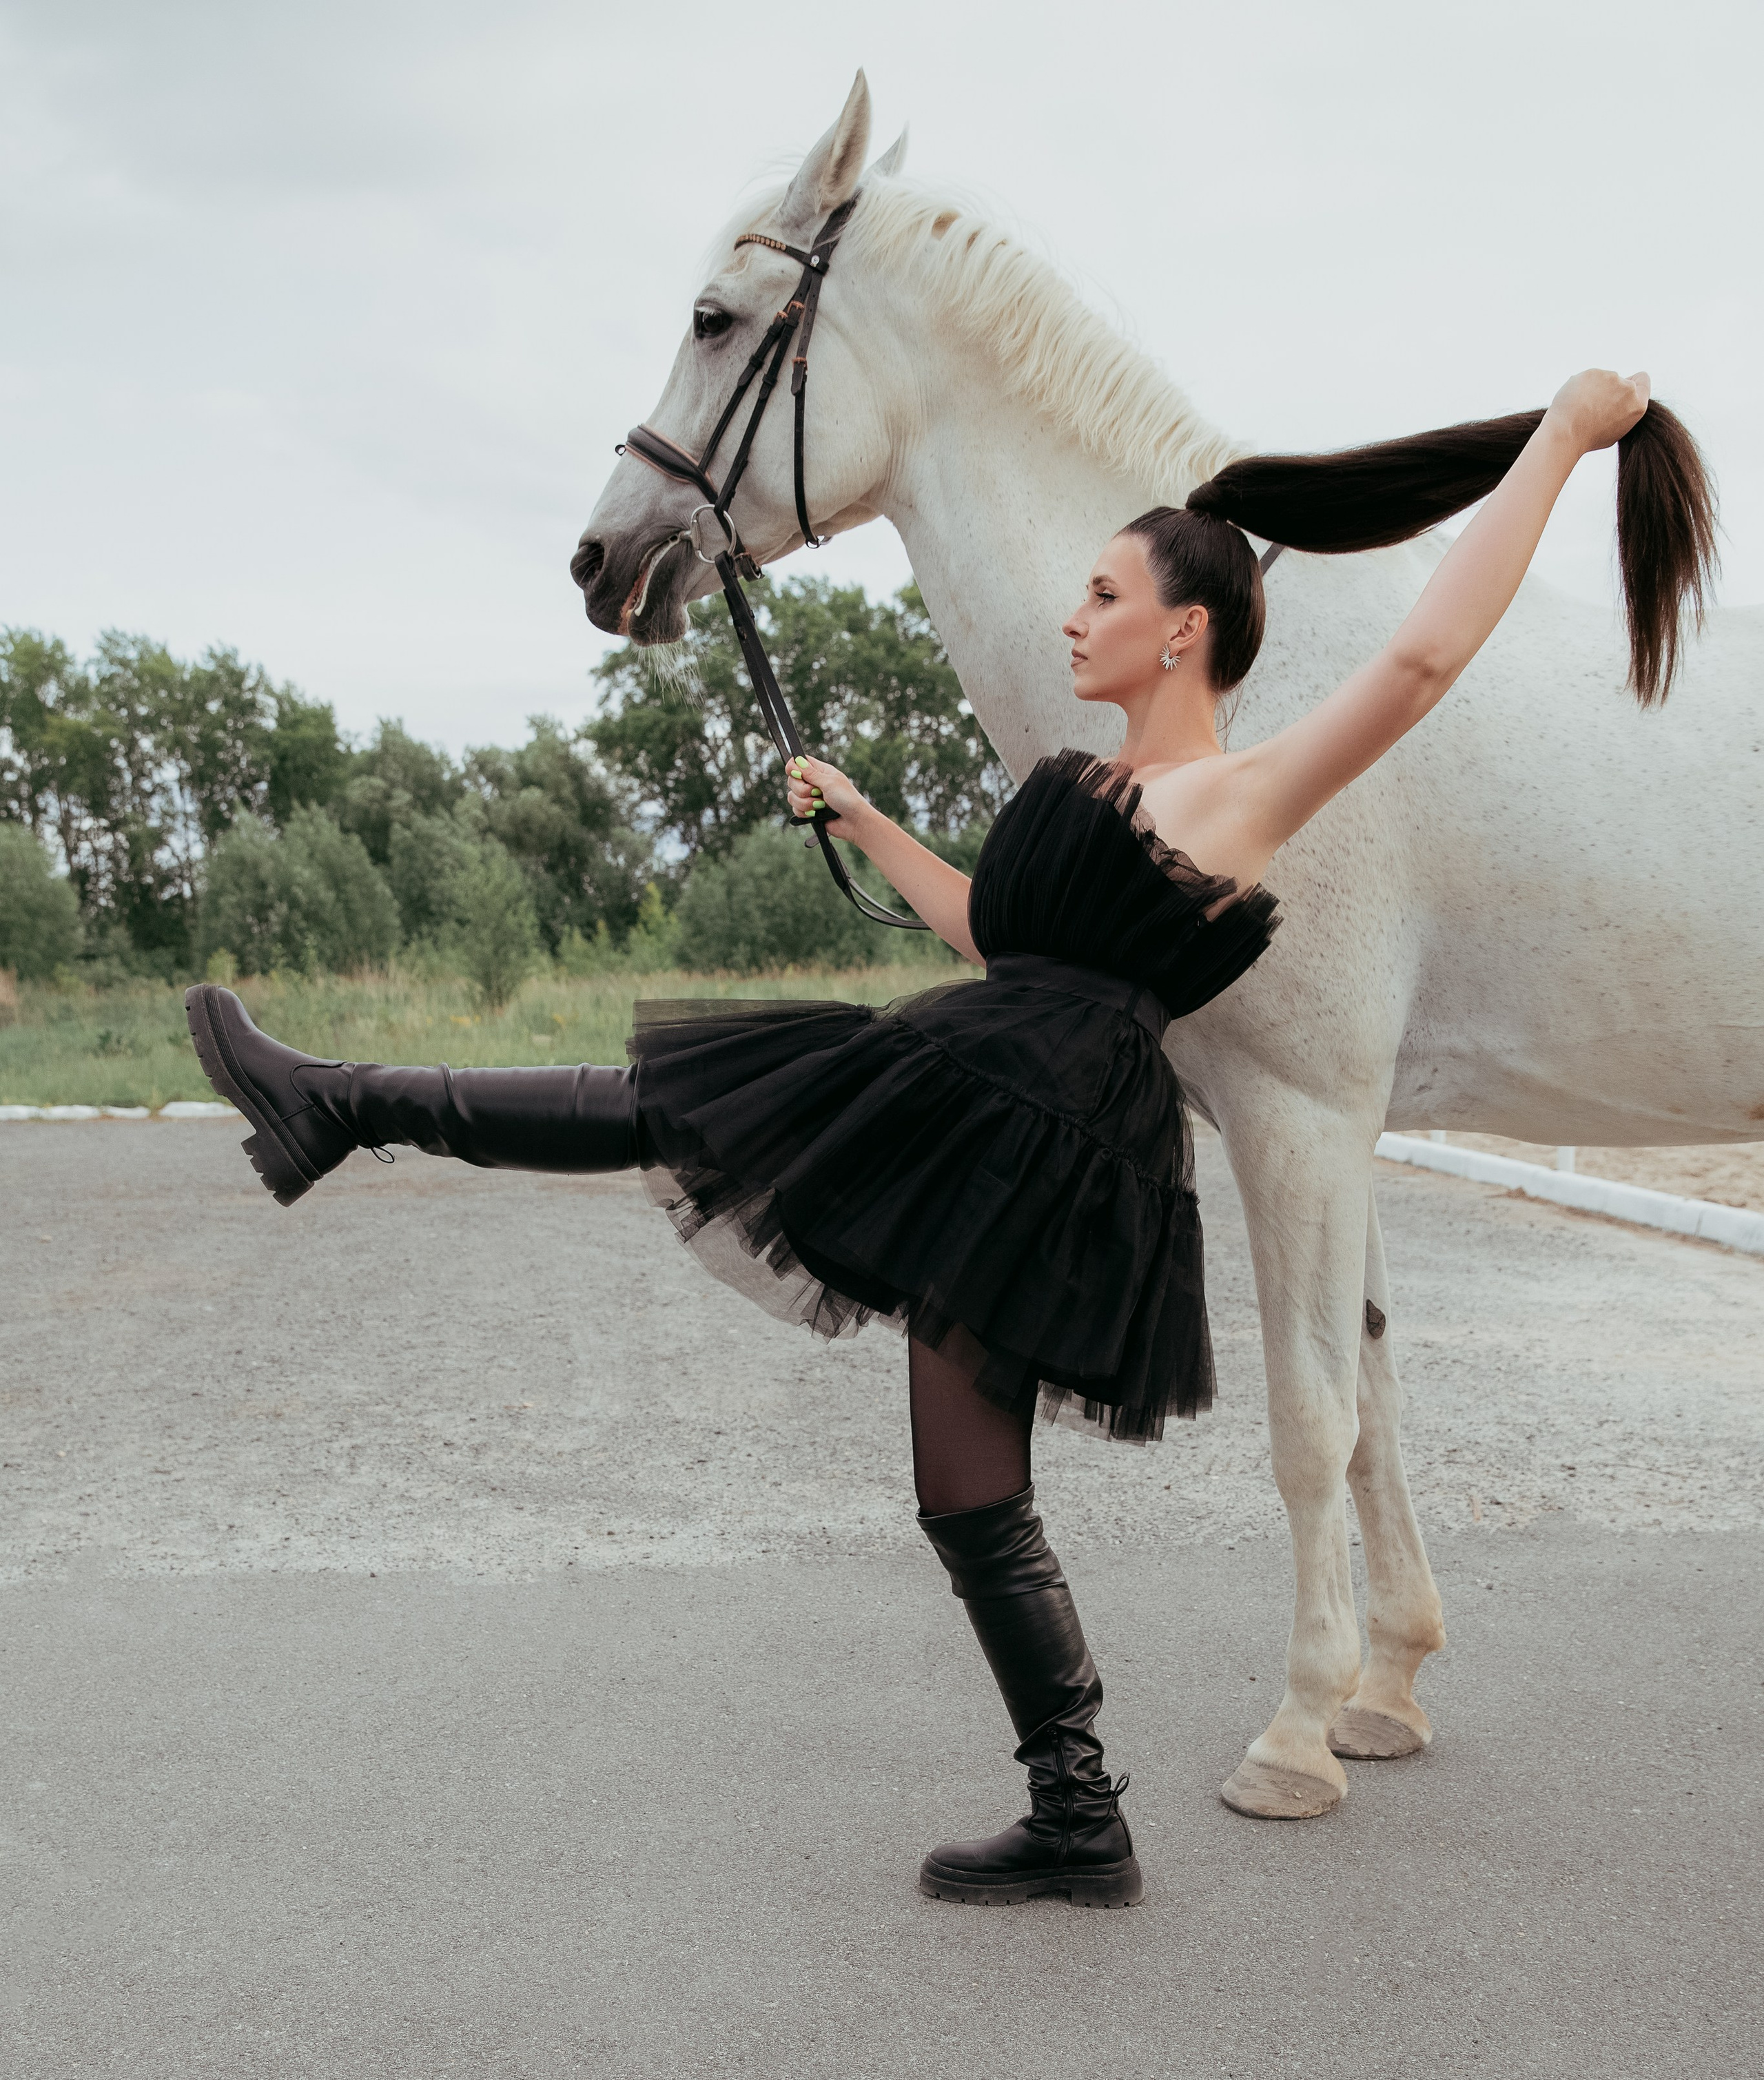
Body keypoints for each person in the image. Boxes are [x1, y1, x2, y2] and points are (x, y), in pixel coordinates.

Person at [185, 370, 1712, 1908]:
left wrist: (1559, 443)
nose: (1074, 618)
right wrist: (860, 815)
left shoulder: (1239, 794)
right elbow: (993, 930)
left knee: (673, 1108)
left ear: (1182, 630)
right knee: (965, 1490)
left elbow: (1425, 657)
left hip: (1041, 1126)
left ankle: (343, 1101)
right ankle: (1077, 1815)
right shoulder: (1086, 779)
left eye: (1103, 595)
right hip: (999, 1090)